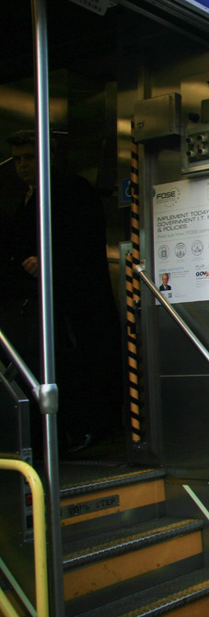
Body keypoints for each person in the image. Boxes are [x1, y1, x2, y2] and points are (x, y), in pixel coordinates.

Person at [6, 130, 121, 455]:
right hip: (46, 301)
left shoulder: (72, 191)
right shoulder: (27, 199)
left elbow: (84, 242)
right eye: (17, 159)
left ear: (47, 157)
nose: (23, 165)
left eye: (29, 157)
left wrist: (47, 262)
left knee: (78, 363)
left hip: (76, 301)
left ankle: (88, 429)